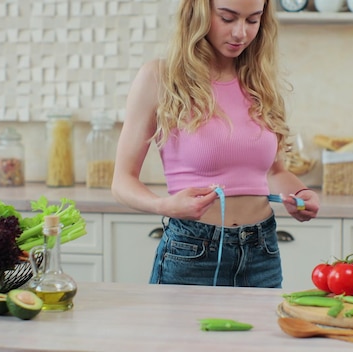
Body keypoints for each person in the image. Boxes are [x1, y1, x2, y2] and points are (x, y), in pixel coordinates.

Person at [111, 0, 320, 288]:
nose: (240, 33)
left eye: (252, 20)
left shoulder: (261, 84)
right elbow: (122, 181)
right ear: (199, 12)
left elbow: (274, 172)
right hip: (192, 250)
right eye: (228, 18)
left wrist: (300, 193)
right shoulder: (160, 78)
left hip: (261, 251)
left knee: (261, 335)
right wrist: (165, 205)